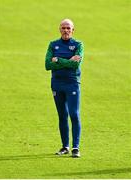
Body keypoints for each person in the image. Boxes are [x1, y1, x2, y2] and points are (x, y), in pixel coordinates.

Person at [45, 18, 84, 158]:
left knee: (74, 114)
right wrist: (68, 61)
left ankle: (75, 147)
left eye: (68, 28)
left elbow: (75, 65)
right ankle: (65, 146)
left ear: (73, 30)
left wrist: (58, 60)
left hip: (72, 83)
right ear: (59, 29)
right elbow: (47, 65)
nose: (66, 30)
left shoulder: (78, 45)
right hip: (57, 84)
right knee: (62, 115)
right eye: (63, 28)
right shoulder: (53, 45)